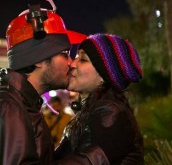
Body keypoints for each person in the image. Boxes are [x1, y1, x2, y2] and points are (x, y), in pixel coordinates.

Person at [0, 4, 87, 164]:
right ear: (40, 59)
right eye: (65, 54)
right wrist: (90, 159)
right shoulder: (7, 108)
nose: (71, 62)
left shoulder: (12, 101)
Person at [54, 33, 144, 164]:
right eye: (76, 57)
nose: (72, 63)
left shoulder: (110, 111)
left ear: (105, 76)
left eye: (83, 59)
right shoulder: (91, 110)